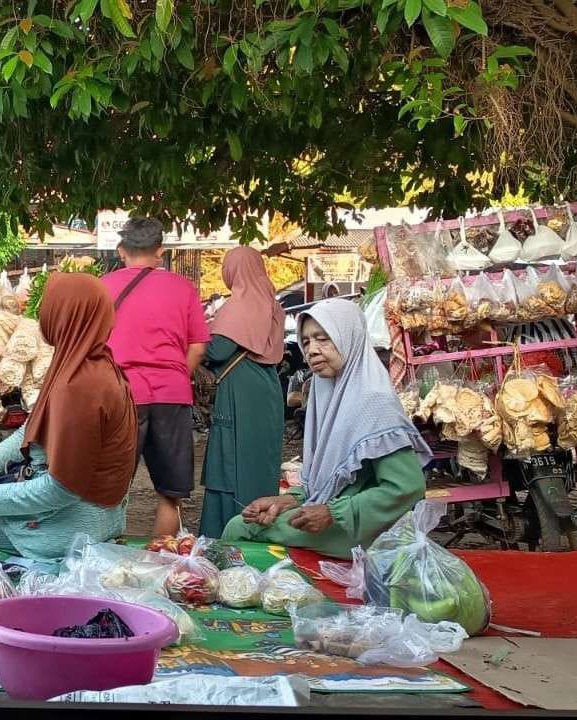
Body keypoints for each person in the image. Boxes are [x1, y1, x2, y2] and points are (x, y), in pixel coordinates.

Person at [0, 274, 137, 558]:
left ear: (64, 317)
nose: (41, 317)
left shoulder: (80, 387)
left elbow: (62, 489)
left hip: (68, 525)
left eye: (48, 308)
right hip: (94, 514)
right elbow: (30, 430)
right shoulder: (92, 362)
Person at [222, 300, 429, 557]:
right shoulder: (325, 392)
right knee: (249, 523)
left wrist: (334, 513)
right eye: (306, 342)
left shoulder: (374, 401)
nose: (312, 350)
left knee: (239, 529)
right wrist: (286, 501)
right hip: (338, 517)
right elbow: (325, 482)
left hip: (366, 530)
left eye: (322, 339)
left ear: (348, 338)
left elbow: (407, 487)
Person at [102, 217, 209, 537]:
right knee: (169, 493)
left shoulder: (102, 288)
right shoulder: (183, 288)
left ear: (121, 250)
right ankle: (163, 558)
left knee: (108, 491)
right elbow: (198, 346)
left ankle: (107, 557)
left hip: (120, 394)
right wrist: (176, 376)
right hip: (171, 396)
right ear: (160, 251)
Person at [199, 247, 286, 538]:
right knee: (257, 463)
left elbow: (219, 350)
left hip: (241, 391)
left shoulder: (240, 304)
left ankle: (227, 535)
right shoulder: (269, 301)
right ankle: (258, 531)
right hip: (265, 388)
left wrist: (193, 337)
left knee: (230, 462)